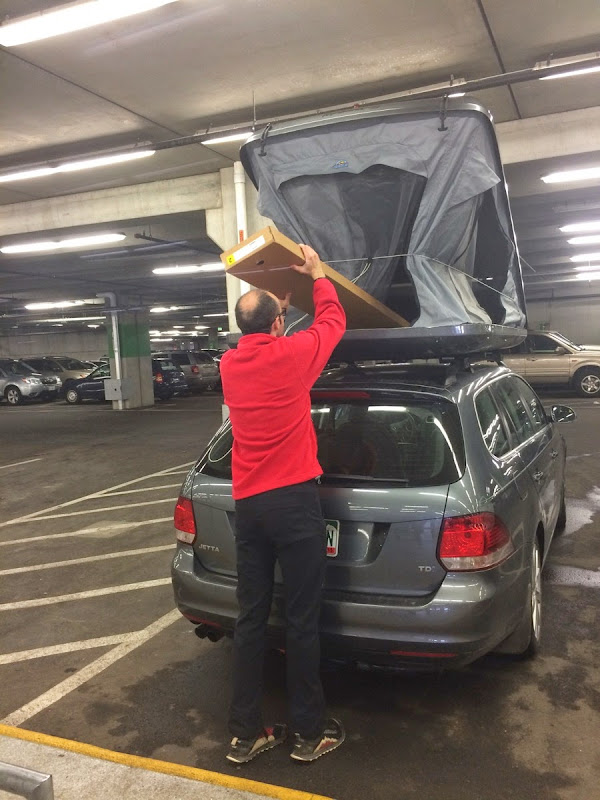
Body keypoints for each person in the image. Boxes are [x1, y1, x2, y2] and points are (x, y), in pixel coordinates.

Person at [219, 244, 347, 764]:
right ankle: (309, 733)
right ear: (277, 325)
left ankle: (244, 734)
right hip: (294, 504)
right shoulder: (292, 357)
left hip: (249, 507)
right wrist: (317, 275)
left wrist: (278, 315)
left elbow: (266, 341)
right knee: (300, 619)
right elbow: (333, 322)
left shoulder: (230, 365)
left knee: (250, 619)